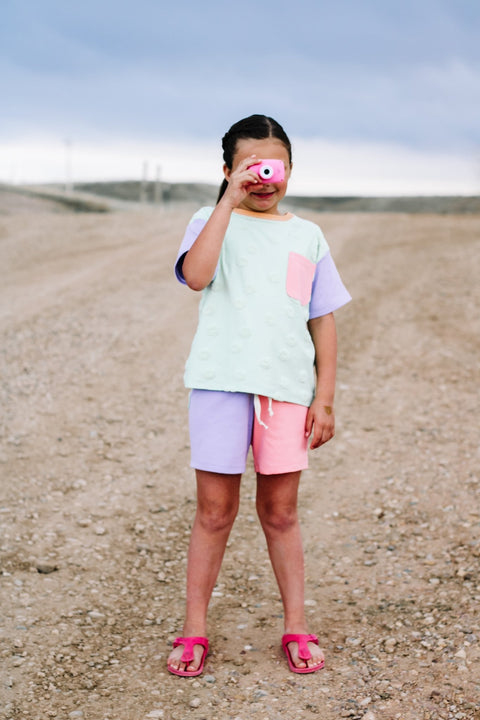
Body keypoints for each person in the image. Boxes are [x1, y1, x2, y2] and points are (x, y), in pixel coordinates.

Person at [168, 114, 351, 676]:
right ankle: (193, 630)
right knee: (213, 512)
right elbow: (196, 276)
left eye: (275, 167)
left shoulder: (308, 236)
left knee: (281, 512)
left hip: (286, 391)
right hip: (219, 384)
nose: (264, 179)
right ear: (227, 170)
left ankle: (296, 625)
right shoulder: (209, 220)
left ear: (291, 169)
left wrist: (324, 398)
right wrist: (227, 203)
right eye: (251, 167)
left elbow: (322, 320)